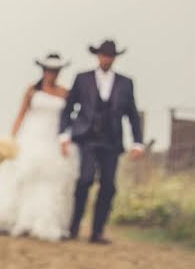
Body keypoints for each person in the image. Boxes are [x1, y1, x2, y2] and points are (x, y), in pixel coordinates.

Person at [0, 53, 79, 242]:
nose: (52, 74)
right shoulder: (31, 91)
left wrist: (65, 138)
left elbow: (68, 119)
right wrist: (11, 138)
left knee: (49, 181)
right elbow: (21, 115)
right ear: (43, 71)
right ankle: (11, 220)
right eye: (49, 70)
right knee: (21, 176)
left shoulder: (65, 93)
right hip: (31, 137)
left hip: (53, 140)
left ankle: (42, 222)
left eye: (55, 71)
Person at [59, 39, 144, 244]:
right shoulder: (82, 79)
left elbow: (132, 114)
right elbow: (68, 108)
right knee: (85, 179)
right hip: (87, 138)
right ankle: (74, 226)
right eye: (104, 55)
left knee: (108, 185)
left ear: (114, 58)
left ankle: (97, 231)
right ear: (98, 56)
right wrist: (64, 134)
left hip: (111, 141)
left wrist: (137, 142)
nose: (106, 59)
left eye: (110, 56)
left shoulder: (125, 83)